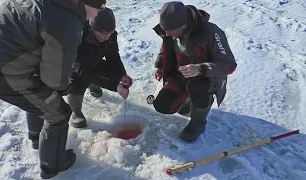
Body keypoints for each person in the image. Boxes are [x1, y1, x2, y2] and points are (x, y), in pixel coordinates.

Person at [0, 0, 106, 179]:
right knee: (58, 113)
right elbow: (55, 80)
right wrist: (66, 87)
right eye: (99, 8)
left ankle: (36, 138)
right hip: (4, 72)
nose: (97, 14)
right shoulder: (67, 21)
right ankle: (52, 167)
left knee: (40, 96)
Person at [152, 2, 237, 142]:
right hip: (180, 75)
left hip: (206, 78)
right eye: (164, 29)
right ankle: (190, 104)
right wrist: (160, 65)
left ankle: (198, 122)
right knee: (162, 105)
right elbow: (165, 46)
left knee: (198, 86)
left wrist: (200, 69)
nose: (166, 34)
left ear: (183, 25)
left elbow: (229, 65)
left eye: (170, 30)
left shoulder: (211, 32)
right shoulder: (170, 31)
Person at [67, 7, 133, 128]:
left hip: (94, 60)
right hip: (72, 67)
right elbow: (83, 70)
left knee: (106, 70)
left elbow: (113, 56)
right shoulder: (79, 36)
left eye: (110, 33)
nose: (107, 37)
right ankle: (75, 112)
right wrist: (115, 86)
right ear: (93, 28)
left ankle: (94, 86)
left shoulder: (109, 35)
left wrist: (122, 75)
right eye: (103, 33)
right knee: (78, 81)